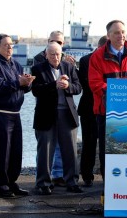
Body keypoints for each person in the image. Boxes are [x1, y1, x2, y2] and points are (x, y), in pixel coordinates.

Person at [88, 20, 127, 179]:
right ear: (108, 35)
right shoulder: (97, 56)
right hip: (106, 113)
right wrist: (118, 94)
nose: (121, 35)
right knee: (107, 153)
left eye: (123, 32)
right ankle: (109, 188)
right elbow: (95, 84)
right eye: (116, 32)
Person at [0, 34, 35, 197]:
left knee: (15, 151)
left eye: (11, 45)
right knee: (2, 150)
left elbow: (21, 89)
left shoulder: (16, 65)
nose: (10, 47)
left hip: (15, 114)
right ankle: (1, 185)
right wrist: (18, 83)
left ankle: (12, 182)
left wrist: (27, 84)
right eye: (6, 45)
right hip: (0, 113)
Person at [31, 42, 82, 195]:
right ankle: (43, 183)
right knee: (45, 151)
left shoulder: (69, 67)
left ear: (62, 54)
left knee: (70, 151)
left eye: (58, 54)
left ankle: (72, 182)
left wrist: (67, 86)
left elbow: (78, 88)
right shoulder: (37, 69)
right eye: (52, 54)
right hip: (46, 114)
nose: (55, 57)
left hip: (67, 114)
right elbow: (36, 91)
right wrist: (55, 85)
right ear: (46, 55)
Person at [78, 35, 107, 187]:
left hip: (107, 109)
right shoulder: (86, 60)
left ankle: (106, 175)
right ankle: (87, 175)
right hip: (89, 107)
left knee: (105, 144)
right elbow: (88, 84)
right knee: (88, 143)